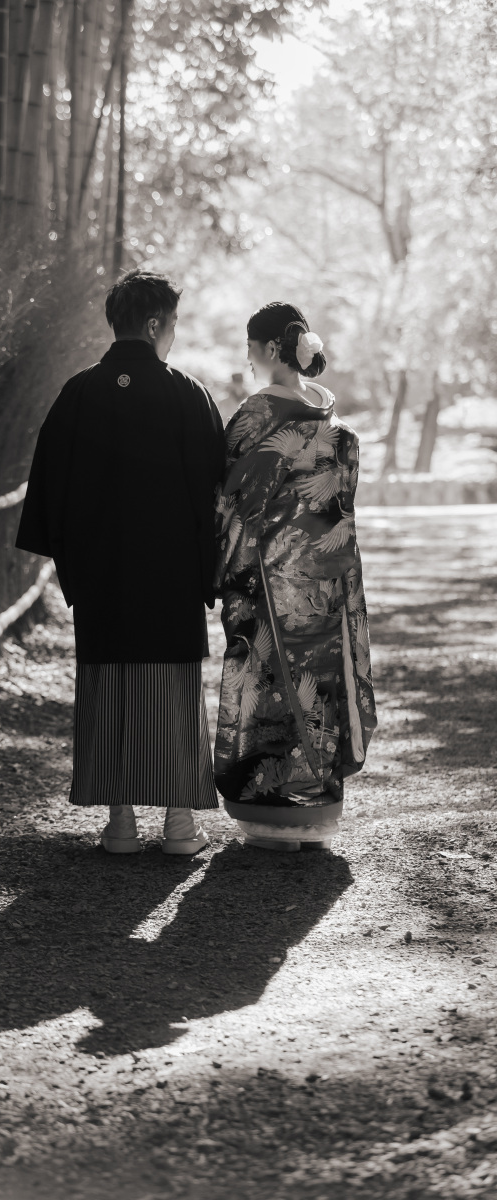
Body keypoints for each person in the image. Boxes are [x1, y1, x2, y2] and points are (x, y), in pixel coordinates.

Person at [16, 269, 226, 854]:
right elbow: (216, 491)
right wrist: (210, 569)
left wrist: (75, 563)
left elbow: (50, 488)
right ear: (156, 324)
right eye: (174, 325)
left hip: (104, 574)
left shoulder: (79, 392)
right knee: (172, 692)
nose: (175, 336)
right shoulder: (187, 394)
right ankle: (180, 826)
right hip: (171, 576)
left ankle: (120, 825)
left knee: (108, 690)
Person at [213, 302, 376, 850]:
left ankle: (269, 817)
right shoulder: (332, 420)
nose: (249, 356)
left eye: (251, 346)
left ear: (271, 350)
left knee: (270, 682)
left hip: (268, 579)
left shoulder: (256, 415)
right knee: (319, 687)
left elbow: (228, 499)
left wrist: (219, 568)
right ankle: (316, 813)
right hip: (324, 583)